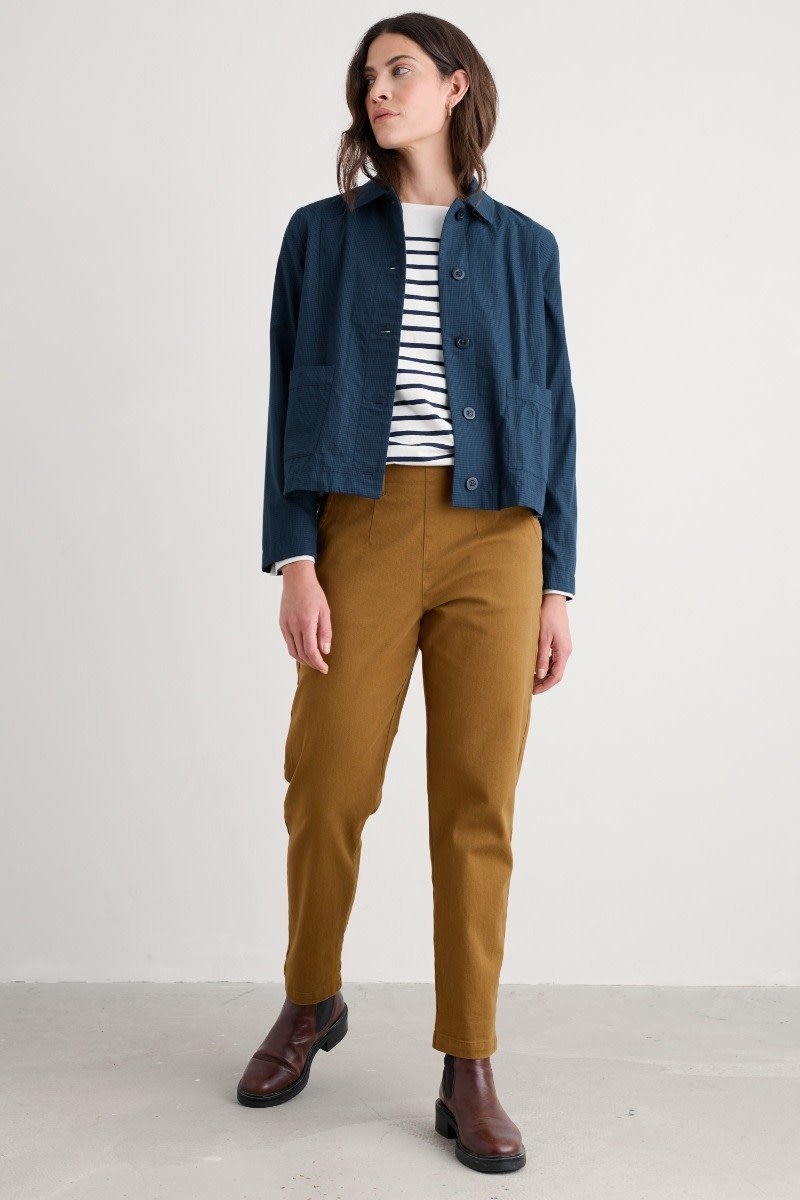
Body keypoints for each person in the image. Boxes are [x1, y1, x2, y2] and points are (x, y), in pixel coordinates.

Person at [236, 13, 577, 1175]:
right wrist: (295, 556)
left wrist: (557, 582)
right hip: (361, 523)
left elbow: (555, 414)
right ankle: (309, 999)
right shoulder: (319, 236)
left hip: (497, 539)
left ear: (453, 87)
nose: (376, 91)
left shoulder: (524, 247)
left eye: (398, 71)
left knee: (476, 802)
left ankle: (466, 1060)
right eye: (366, 76)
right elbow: (286, 397)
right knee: (327, 778)